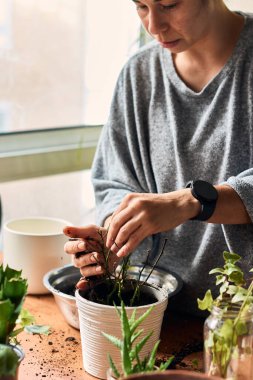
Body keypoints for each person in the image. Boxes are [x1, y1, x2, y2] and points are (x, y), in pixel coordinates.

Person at [64, 0, 253, 316]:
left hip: (240, 324)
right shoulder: (138, 75)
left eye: (169, 4)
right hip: (152, 315)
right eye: (140, 6)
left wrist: (190, 202)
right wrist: (117, 235)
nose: (153, 26)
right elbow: (113, 180)